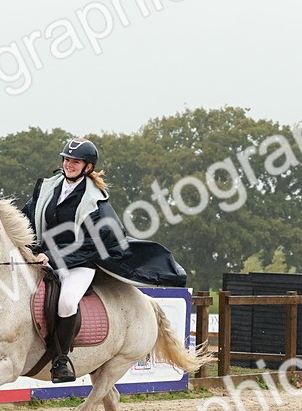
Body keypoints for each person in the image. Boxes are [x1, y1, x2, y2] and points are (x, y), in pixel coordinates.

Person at [22, 137, 186, 383]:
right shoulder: (49, 188)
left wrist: (54, 257)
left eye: (75, 161)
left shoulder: (95, 201)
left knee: (66, 302)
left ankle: (61, 359)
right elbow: (28, 214)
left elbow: (92, 244)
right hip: (42, 258)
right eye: (66, 159)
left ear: (88, 166)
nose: (69, 164)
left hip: (78, 264)